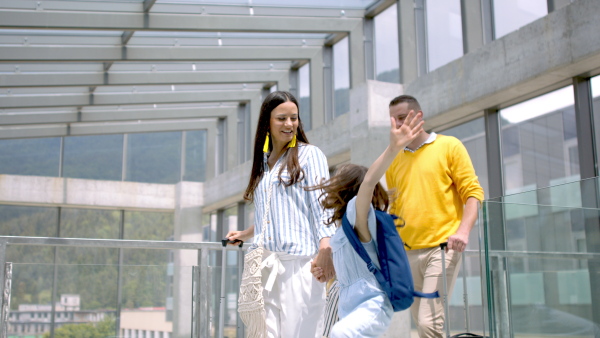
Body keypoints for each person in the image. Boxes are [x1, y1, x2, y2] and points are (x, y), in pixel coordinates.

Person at [225, 91, 336, 338]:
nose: (289, 124)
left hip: (300, 266)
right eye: (281, 118)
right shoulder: (265, 163)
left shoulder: (310, 155)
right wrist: (246, 233)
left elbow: (323, 206)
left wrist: (326, 249)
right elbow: (273, 209)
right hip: (266, 266)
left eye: (293, 118)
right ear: (267, 122)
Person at [309, 110, 425, 337]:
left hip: (372, 305)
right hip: (348, 306)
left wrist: (393, 148)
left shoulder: (359, 216)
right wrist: (324, 271)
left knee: (341, 334)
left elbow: (369, 182)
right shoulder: (342, 231)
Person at [385, 95, 484, 337]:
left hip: (442, 249)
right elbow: (394, 207)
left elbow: (473, 193)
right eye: (393, 120)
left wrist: (463, 232)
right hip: (406, 253)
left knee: (429, 323)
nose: (397, 125)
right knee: (421, 325)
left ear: (418, 116)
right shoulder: (394, 160)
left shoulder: (449, 146)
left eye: (402, 118)